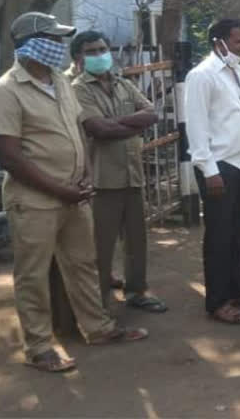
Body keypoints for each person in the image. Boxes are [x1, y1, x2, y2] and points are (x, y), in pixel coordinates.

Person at [0, 12, 148, 373]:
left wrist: (84, 177)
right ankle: (39, 346)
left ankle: (98, 327)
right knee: (34, 273)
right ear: (29, 44)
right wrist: (61, 189)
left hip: (74, 194)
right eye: (52, 39)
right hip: (34, 200)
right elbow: (9, 156)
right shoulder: (6, 92)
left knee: (83, 265)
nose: (59, 47)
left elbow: (78, 132)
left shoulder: (59, 82)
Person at [71, 31, 167, 313]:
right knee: (101, 245)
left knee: (137, 240)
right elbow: (97, 129)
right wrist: (130, 125)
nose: (101, 54)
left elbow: (151, 112)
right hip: (102, 179)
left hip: (133, 174)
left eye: (103, 48)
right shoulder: (79, 89)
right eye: (92, 51)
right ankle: (99, 303)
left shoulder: (123, 83)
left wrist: (115, 123)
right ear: (79, 58)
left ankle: (136, 292)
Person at [185, 18, 240, 325]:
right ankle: (218, 301)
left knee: (237, 232)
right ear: (219, 42)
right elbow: (196, 128)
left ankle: (238, 289)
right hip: (217, 166)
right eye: (238, 42)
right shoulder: (202, 76)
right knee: (219, 236)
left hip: (238, 163)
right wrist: (209, 171)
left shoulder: (235, 71)